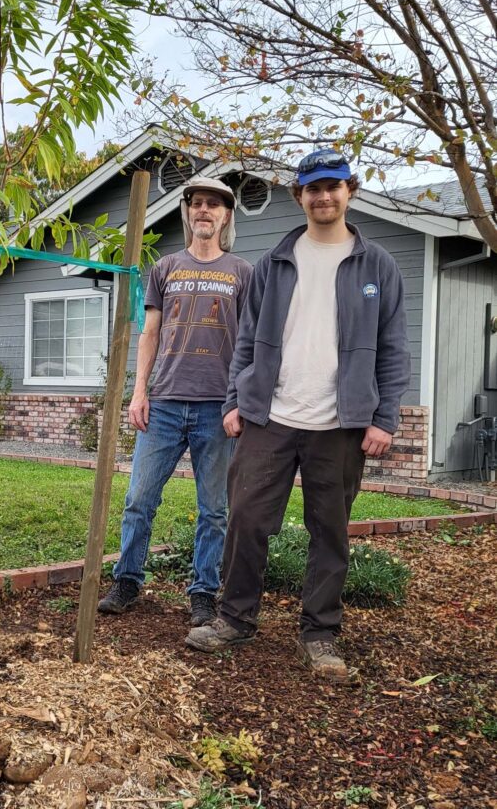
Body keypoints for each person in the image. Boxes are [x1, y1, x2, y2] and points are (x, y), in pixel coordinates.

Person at [185, 149, 411, 680]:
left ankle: (320, 634)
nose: (323, 196)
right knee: (246, 520)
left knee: (328, 530)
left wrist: (384, 418)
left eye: (333, 186)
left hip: (341, 423)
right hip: (270, 417)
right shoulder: (274, 264)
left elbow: (393, 349)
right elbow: (246, 340)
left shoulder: (377, 264)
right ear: (300, 196)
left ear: (349, 190)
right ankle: (235, 619)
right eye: (313, 188)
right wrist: (236, 401)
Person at [98, 176, 252, 627]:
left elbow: (249, 342)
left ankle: (203, 591)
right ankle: (127, 579)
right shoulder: (164, 268)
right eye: (197, 204)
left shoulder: (243, 272)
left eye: (214, 205)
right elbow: (150, 334)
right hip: (163, 404)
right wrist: (139, 391)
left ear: (225, 216)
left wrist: (238, 402)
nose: (204, 211)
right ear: (188, 213)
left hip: (217, 409)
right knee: (139, 499)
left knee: (214, 510)